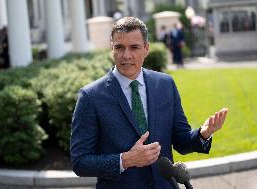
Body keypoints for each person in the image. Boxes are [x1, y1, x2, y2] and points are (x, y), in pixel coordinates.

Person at [70, 17, 228, 189]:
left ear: (146, 49)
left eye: (134, 47)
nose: (126, 55)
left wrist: (203, 134)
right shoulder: (90, 96)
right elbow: (80, 162)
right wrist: (126, 160)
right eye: (119, 47)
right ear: (112, 48)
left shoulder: (165, 84)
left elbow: (181, 141)